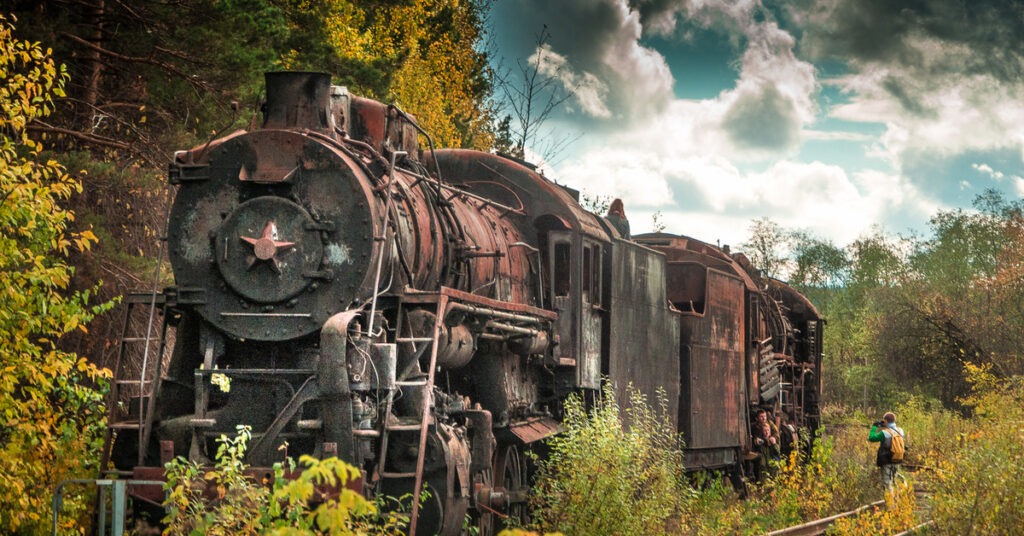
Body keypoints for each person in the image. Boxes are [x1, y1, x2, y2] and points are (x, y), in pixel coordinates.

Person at [868, 411, 906, 492]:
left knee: (887, 483)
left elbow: (871, 438)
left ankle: (890, 503)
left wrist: (874, 427)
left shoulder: (884, 433)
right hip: (897, 458)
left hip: (887, 460)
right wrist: (884, 426)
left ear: (886, 421)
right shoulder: (900, 430)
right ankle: (898, 499)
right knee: (894, 481)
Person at [750, 408, 780, 481]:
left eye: (765, 416)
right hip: (760, 452)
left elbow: (776, 435)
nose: (763, 418)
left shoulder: (770, 424)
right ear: (757, 418)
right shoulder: (754, 426)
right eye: (761, 417)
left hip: (770, 449)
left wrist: (773, 439)